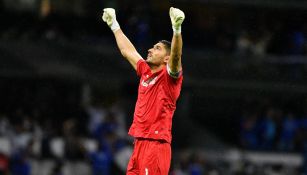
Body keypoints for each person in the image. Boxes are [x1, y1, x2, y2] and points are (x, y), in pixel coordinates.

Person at [102, 6, 185, 175]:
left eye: (157, 48)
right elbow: (127, 51)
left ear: (166, 58)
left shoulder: (170, 77)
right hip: (139, 143)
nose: (150, 49)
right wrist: (114, 25)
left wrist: (177, 30)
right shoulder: (145, 72)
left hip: (156, 145)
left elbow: (176, 56)